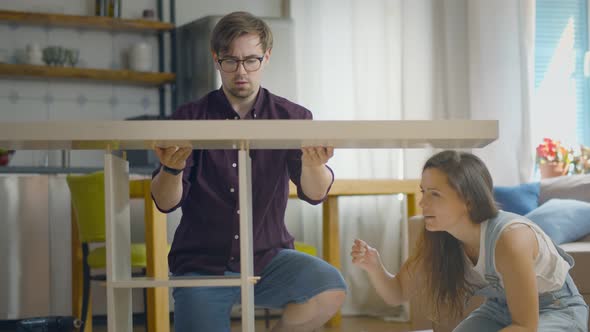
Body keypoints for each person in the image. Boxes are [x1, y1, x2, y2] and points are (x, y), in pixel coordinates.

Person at [151, 11, 346, 332]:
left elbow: (315, 193)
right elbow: (165, 201)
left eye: (251, 60)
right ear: (216, 59)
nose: (241, 71)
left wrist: (314, 165)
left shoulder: (292, 116)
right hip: (202, 264)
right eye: (231, 61)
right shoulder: (189, 116)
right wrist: (171, 169)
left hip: (268, 259)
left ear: (266, 57)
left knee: (328, 286)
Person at [351, 150, 588, 331]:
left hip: (556, 309)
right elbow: (397, 293)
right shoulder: (441, 237)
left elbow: (525, 326)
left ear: (469, 200)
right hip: (499, 309)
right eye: (424, 191)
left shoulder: (510, 239)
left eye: (435, 194)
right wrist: (374, 266)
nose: (423, 203)